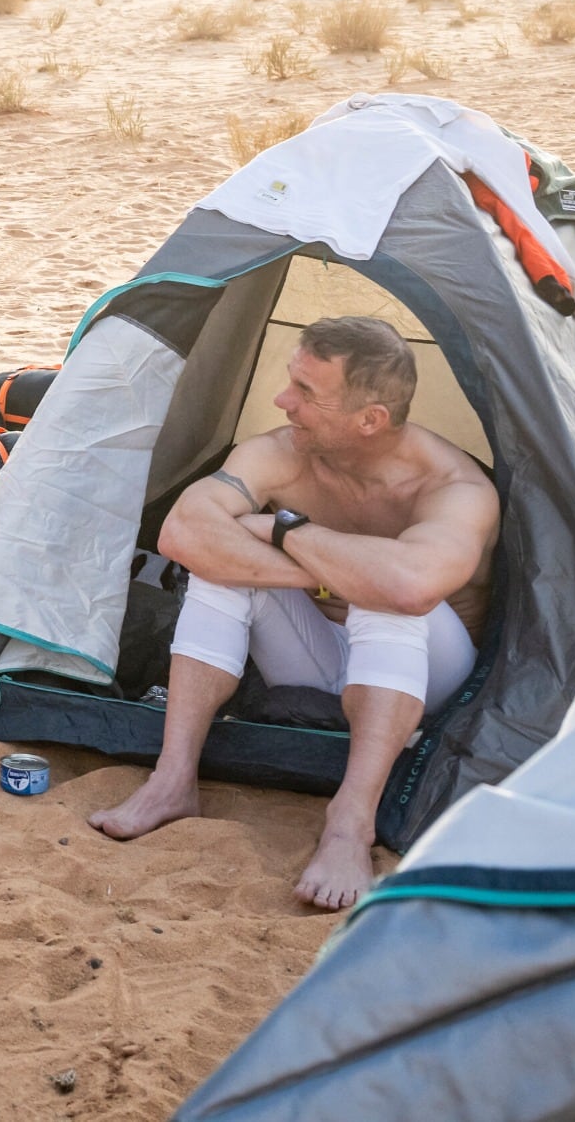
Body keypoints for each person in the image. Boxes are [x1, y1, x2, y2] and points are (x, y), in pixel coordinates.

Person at [90, 316, 497, 911]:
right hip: (314, 657)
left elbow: (410, 587)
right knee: (221, 569)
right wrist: (319, 561)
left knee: (386, 599)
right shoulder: (285, 454)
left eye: (307, 393)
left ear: (370, 420)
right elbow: (182, 532)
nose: (284, 402)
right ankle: (171, 781)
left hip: (421, 679)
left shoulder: (452, 485)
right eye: (291, 382)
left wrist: (280, 531)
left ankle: (349, 825)